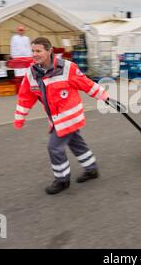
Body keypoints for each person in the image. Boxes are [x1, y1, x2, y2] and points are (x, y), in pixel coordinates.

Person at [13, 37, 109, 195]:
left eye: (38, 51)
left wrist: (104, 96)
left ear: (49, 51)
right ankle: (92, 169)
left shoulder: (67, 67)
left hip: (69, 116)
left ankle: (62, 179)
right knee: (76, 143)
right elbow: (25, 96)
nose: (35, 54)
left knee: (54, 147)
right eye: (33, 51)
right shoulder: (32, 73)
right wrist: (20, 116)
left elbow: (85, 83)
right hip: (56, 118)